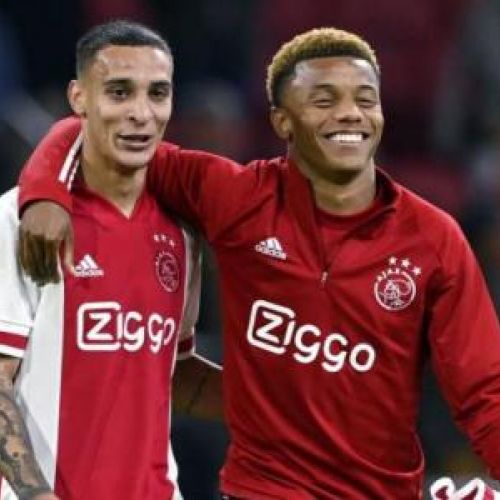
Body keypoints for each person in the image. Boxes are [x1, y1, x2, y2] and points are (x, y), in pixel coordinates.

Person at [17, 27, 500, 499]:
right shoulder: (237, 197)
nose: (350, 113)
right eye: (324, 100)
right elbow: (94, 134)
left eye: (365, 99)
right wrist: (45, 194)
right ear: (282, 122)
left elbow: (485, 392)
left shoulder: (433, 238)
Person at [0, 21, 223, 500]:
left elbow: (173, 374)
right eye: (119, 92)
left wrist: (290, 404)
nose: (141, 113)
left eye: (157, 93)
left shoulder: (182, 234)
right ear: (79, 97)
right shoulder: (22, 219)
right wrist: (35, 494)